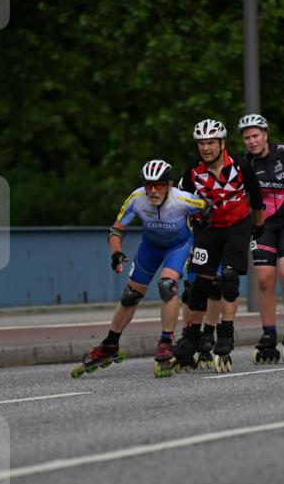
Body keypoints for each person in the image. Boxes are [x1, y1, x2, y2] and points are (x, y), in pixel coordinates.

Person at [71, 159, 208, 378]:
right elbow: (116, 230)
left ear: (169, 184)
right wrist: (116, 253)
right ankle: (110, 344)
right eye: (148, 184)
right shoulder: (137, 198)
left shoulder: (183, 199)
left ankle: (166, 343)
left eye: (159, 185)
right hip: (150, 247)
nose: (152, 190)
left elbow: (210, 208)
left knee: (167, 286)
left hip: (179, 246)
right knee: (131, 295)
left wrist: (208, 226)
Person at [172, 118, 264, 373]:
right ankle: (192, 337)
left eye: (211, 142)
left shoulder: (241, 166)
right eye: (201, 143)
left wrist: (258, 226)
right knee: (200, 286)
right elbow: (181, 201)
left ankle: (225, 335)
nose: (206, 148)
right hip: (209, 229)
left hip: (237, 226)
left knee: (230, 278)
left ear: (222, 143)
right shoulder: (192, 170)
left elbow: (256, 198)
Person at [238, 113, 284, 365]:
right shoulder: (244, 164)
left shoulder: (283, 152)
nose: (252, 141)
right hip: (264, 225)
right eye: (247, 138)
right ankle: (268, 332)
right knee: (265, 279)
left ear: (265, 135)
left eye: (255, 135)